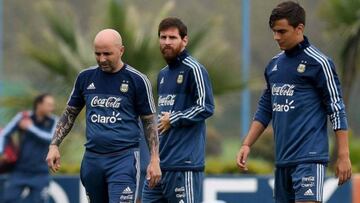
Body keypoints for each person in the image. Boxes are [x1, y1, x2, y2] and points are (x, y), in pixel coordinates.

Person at [236, 1, 352, 203]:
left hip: (309, 157)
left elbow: (336, 108)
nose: (276, 37)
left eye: (282, 31)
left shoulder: (319, 63)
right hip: (282, 161)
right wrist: (247, 144)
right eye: (274, 31)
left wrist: (343, 155)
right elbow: (265, 108)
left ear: (299, 29)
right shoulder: (274, 65)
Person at [46, 29, 161, 203]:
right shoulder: (85, 77)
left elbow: (149, 122)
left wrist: (154, 159)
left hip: (124, 160)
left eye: (107, 53)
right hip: (92, 160)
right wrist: (54, 145)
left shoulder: (137, 80)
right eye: (97, 54)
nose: (102, 59)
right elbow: (70, 113)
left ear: (121, 50)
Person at [142, 17, 215, 203]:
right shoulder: (163, 74)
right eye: (163, 37)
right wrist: (154, 159)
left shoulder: (194, 69)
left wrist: (174, 118)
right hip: (159, 167)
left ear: (184, 40)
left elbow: (206, 106)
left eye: (172, 37)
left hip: (184, 167)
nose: (167, 42)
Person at [0, 93, 57, 203]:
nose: (52, 108)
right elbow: (4, 133)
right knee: (8, 200)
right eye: (49, 105)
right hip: (19, 170)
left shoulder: (54, 121)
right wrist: (2, 152)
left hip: (41, 172)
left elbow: (51, 139)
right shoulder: (23, 117)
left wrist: (30, 128)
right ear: (39, 105)